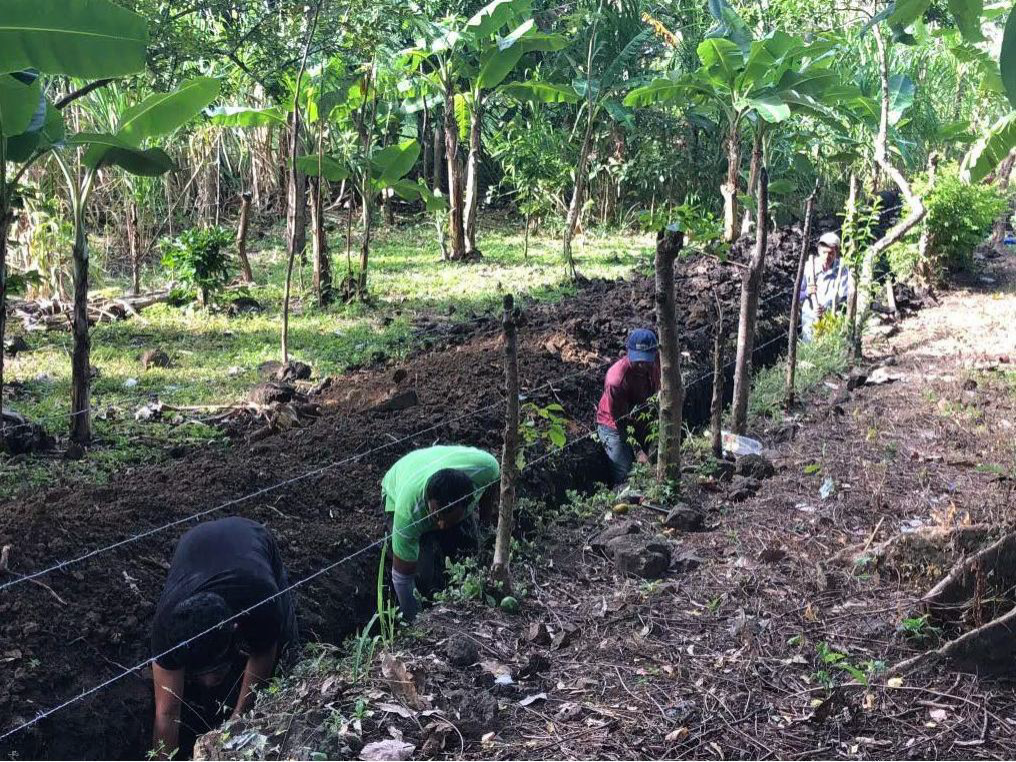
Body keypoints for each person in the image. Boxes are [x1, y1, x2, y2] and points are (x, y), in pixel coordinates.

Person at [150, 517, 298, 759]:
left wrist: (238, 717)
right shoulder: (166, 632)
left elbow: (263, 651)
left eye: (217, 670)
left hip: (250, 538)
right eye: (201, 674)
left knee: (285, 648)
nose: (210, 681)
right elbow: (166, 714)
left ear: (236, 629)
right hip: (194, 545)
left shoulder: (260, 600)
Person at [383, 445, 500, 621]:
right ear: (429, 502)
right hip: (400, 479)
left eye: (448, 517)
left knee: (470, 552)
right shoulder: (408, 513)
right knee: (424, 576)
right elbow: (402, 578)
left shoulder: (486, 468)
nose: (441, 524)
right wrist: (416, 623)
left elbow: (492, 485)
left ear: (467, 502)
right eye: (436, 515)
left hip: (435, 463)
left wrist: (485, 524)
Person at [596, 328, 661, 485]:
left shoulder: (657, 363)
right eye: (638, 359)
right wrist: (638, 452)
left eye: (646, 360)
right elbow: (621, 422)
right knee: (626, 474)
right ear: (628, 352)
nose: (641, 364)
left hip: (640, 417)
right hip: (613, 425)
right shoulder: (616, 381)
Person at [800, 231, 851, 341]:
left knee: (829, 349)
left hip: (832, 318)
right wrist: (807, 292)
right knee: (810, 350)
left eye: (831, 253)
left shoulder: (842, 270)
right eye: (824, 252)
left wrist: (827, 308)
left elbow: (845, 299)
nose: (827, 256)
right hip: (810, 318)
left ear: (836, 253)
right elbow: (797, 295)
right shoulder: (809, 267)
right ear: (819, 251)